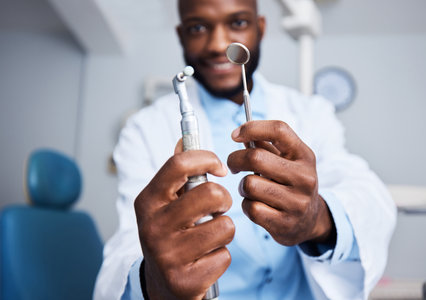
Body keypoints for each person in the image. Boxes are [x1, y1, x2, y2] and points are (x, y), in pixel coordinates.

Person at [94, 0, 397, 299]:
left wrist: (317, 218)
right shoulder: (144, 130)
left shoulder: (311, 113)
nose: (218, 43)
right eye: (198, 27)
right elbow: (127, 248)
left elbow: (367, 195)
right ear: (181, 35)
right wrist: (153, 281)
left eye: (237, 22)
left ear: (260, 28)